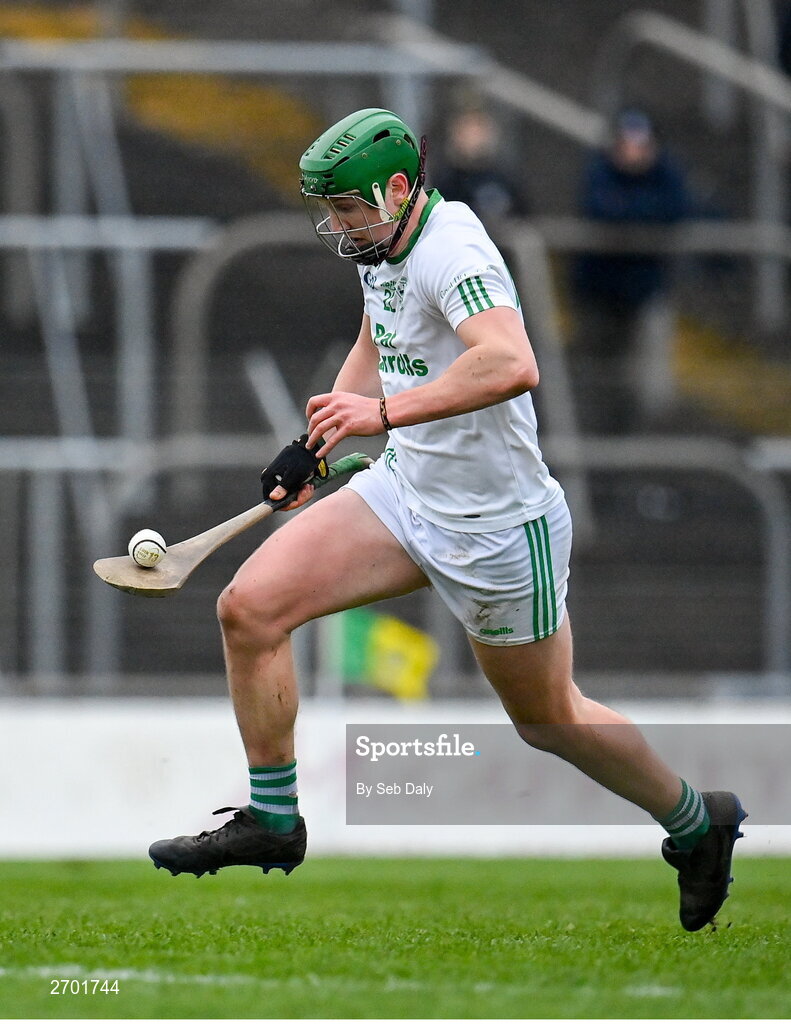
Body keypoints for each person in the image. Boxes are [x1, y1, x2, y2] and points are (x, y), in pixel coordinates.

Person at [149, 108, 745, 932]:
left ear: (397, 189)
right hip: (405, 492)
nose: (337, 226)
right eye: (329, 210)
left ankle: (694, 822)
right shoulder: (382, 243)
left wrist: (382, 416)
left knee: (547, 721)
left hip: (497, 527)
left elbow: (511, 362)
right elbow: (376, 334)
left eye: (348, 208)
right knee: (248, 610)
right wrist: (315, 441)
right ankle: (274, 822)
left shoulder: (453, 248)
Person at [571, 109, 691, 434]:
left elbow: (677, 209)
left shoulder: (665, 173)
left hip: (645, 290)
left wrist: (632, 212)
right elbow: (602, 210)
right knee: (600, 378)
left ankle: (643, 450)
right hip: (601, 293)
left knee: (649, 391)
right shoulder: (601, 172)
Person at [434, 107, 530, 225]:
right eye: (467, 131)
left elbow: (524, 216)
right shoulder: (448, 182)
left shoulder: (503, 177)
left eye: (478, 130)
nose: (473, 137)